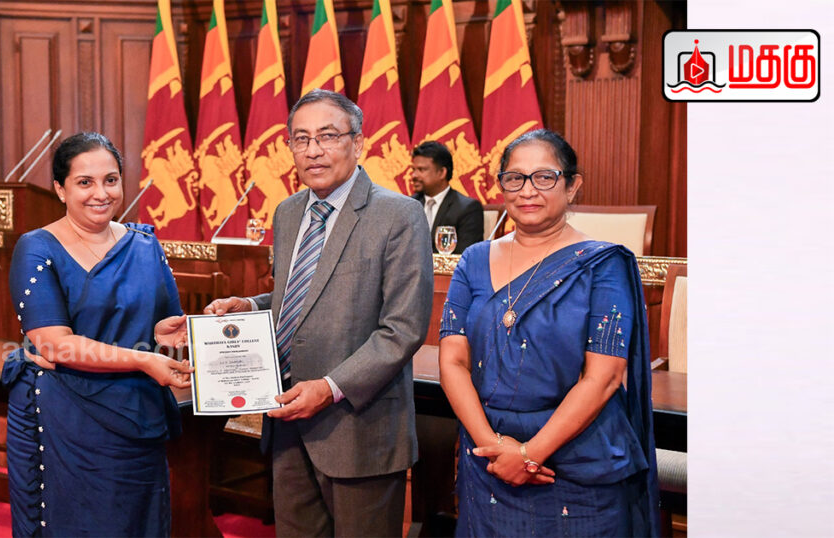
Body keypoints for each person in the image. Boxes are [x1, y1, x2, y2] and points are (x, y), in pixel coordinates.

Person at [200, 89, 434, 536]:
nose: (313, 150)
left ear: (357, 142)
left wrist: (329, 389)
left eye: (327, 136)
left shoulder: (399, 215)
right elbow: (301, 296)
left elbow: (402, 329)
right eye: (301, 139)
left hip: (358, 428)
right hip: (287, 421)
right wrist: (249, 306)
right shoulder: (288, 212)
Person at [437, 129, 659, 537]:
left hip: (576, 462)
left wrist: (528, 455)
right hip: (487, 460)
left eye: (544, 177)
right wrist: (493, 447)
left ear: (572, 186)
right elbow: (452, 360)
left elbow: (604, 377)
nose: (528, 190)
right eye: (515, 178)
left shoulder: (602, 265)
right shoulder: (473, 260)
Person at [0, 132, 193, 537]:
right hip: (64, 416)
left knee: (136, 523)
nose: (101, 194)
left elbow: (163, 323)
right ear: (60, 188)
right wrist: (143, 358)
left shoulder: (144, 244)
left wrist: (163, 332)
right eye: (84, 182)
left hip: (136, 411)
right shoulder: (37, 248)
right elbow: (54, 344)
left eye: (111, 180)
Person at [410, 140, 484, 254]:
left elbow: (466, 255)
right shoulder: (409, 205)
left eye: (421, 170)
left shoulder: (467, 209)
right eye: (413, 169)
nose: (414, 175)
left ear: (442, 172)